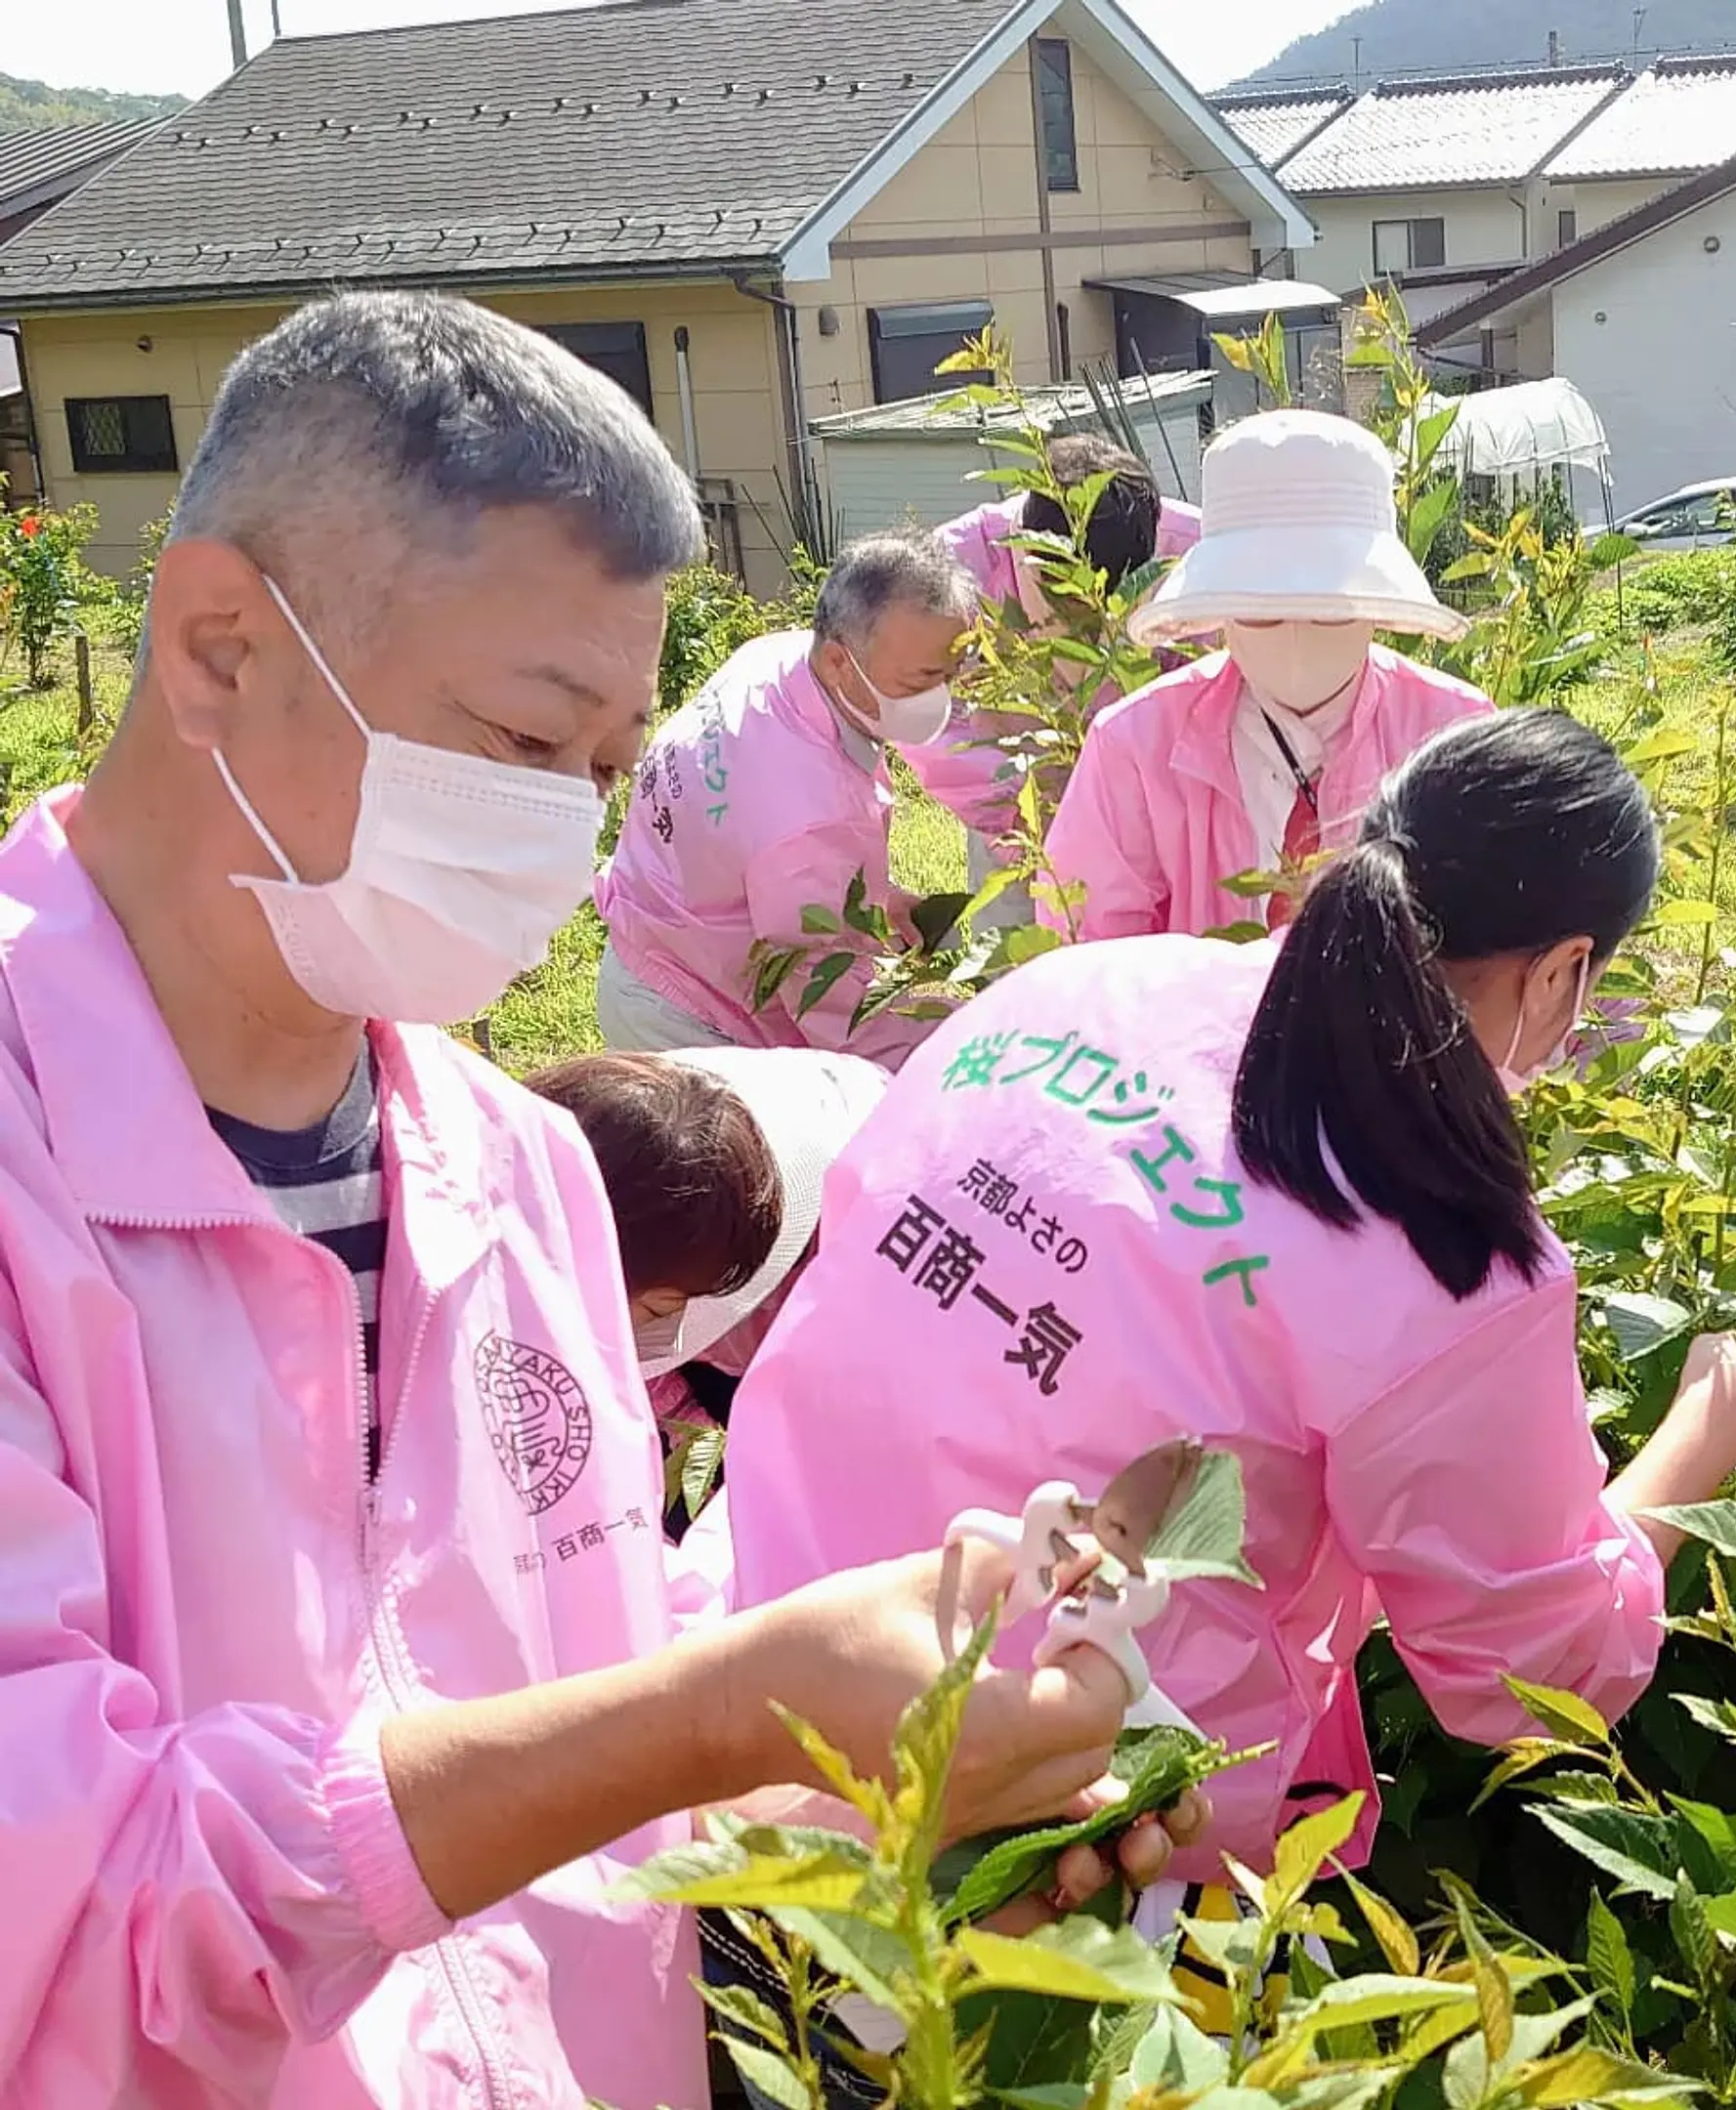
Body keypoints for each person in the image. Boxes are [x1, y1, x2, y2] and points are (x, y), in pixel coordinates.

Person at [0, 289, 1174, 2109]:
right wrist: (707, 1716)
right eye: (527, 742)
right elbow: (72, 1927)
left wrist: (865, 1789)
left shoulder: (517, 1167)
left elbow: (550, 1715)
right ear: (221, 642)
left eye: (609, 768)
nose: (569, 833)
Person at [726, 710, 1736, 1877]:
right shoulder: (1444, 1250)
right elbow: (1532, 1671)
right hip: (1031, 1805)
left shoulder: (1089, 983)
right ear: (1561, 973)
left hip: (738, 1652)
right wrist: (1710, 1425)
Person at [1040, 408, 1495, 942]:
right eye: (1263, 608)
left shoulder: (1454, 734)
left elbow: (1501, 937)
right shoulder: (1135, 746)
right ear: (1222, 609)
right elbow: (1089, 957)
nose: (1297, 630)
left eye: (1331, 607)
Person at [594, 533, 976, 1067]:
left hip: (648, 943)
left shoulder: (776, 658)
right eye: (924, 679)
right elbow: (838, 1009)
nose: (943, 696)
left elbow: (748, 846)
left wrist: (869, 897)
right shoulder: (810, 819)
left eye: (953, 672)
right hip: (691, 1018)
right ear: (841, 661)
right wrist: (967, 1032)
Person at [524, 1045, 885, 1449]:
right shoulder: (622, 1153)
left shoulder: (854, 1230)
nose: (666, 1323)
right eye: (658, 1310)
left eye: (661, 1311)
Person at [910, 434, 1205, 926]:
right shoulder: (951, 574)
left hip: (1155, 821)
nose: (1092, 625)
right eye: (1071, 602)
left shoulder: (1197, 554)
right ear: (1031, 558)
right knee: (1018, 957)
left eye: (1111, 601)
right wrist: (1021, 803)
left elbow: (1220, 687)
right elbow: (921, 715)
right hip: (1020, 824)